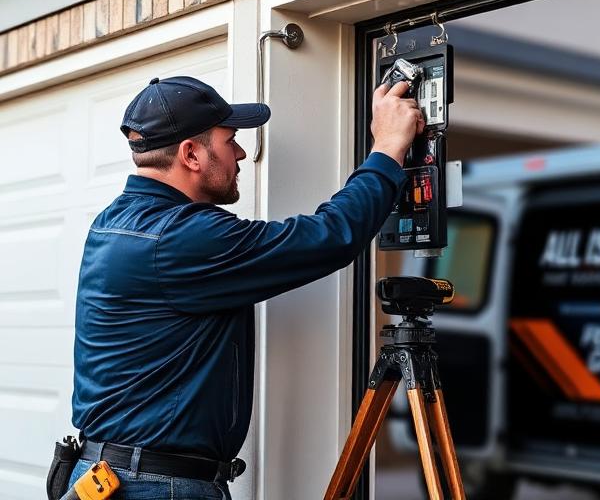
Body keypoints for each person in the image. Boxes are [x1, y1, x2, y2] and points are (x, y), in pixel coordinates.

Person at [67, 75, 423, 499]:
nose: (239, 153)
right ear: (191, 154)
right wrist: (387, 149)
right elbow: (331, 236)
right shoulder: (181, 238)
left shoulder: (116, 223)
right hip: (157, 487)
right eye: (230, 140)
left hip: (115, 475)